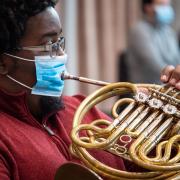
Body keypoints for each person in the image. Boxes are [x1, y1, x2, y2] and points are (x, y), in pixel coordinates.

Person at [0, 0, 179, 180]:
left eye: (59, 41)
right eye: (48, 45)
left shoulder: (80, 109)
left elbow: (143, 166)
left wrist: (170, 126)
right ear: (3, 63)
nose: (62, 55)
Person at [126, 0, 180, 84]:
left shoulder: (168, 31)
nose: (167, 9)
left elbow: (177, 59)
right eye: (162, 5)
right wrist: (175, 76)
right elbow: (156, 66)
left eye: (168, 5)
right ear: (148, 7)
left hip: (169, 87)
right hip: (147, 90)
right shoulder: (139, 30)